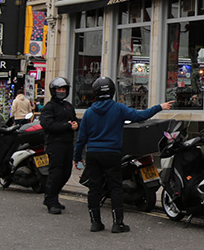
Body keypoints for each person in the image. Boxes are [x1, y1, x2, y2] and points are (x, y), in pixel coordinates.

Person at [73, 77, 172, 233]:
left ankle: (95, 223)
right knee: (115, 188)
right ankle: (118, 224)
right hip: (112, 153)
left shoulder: (89, 112)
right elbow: (141, 116)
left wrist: (77, 158)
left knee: (94, 189)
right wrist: (159, 107)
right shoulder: (118, 108)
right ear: (112, 91)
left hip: (93, 153)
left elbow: (81, 139)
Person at [39, 77, 78, 215]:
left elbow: (74, 120)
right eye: (59, 89)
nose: (61, 92)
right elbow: (47, 125)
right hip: (55, 144)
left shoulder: (68, 106)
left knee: (66, 173)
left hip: (68, 143)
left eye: (63, 89)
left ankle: (52, 196)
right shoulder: (49, 107)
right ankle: (51, 200)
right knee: (55, 173)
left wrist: (76, 124)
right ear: (53, 91)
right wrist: (67, 126)